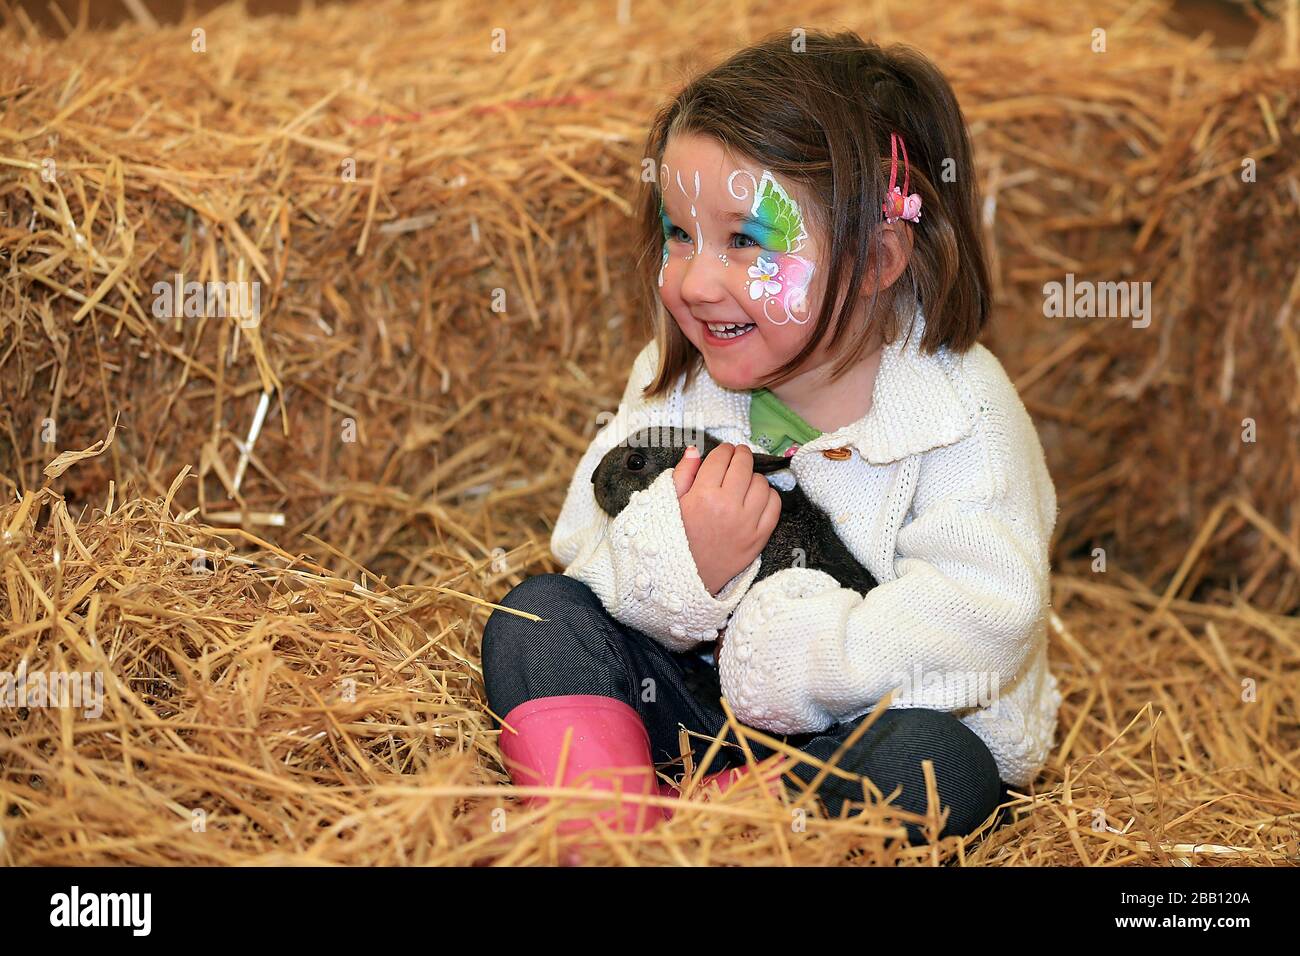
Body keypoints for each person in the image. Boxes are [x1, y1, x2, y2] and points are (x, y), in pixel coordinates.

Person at [482, 29, 1061, 848]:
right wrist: (686, 563)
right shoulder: (681, 375)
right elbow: (584, 540)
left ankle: (706, 836)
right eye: (679, 233)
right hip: (684, 709)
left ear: (875, 257)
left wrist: (792, 659)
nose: (692, 278)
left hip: (860, 729)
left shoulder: (960, 409)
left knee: (941, 765)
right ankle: (599, 827)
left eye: (744, 241)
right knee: (539, 617)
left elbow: (983, 619)